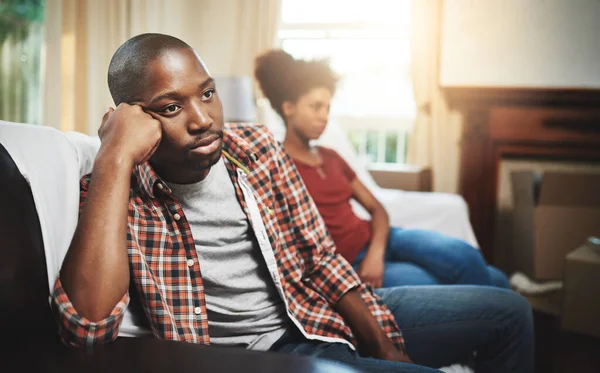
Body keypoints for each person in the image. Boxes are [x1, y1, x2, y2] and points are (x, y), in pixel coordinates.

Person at [51, 33, 533, 373]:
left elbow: (319, 256)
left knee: (510, 312)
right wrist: (115, 156)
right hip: (273, 352)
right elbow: (88, 330)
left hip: (317, 308)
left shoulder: (255, 148)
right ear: (134, 118)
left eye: (208, 94)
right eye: (171, 107)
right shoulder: (116, 193)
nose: (202, 120)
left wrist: (381, 344)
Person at [254, 50, 510, 290]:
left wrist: (376, 253)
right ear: (288, 108)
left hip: (385, 239)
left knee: (468, 257)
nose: (324, 116)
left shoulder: (330, 157)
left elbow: (377, 209)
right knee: (479, 282)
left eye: (328, 108)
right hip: (351, 263)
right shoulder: (278, 164)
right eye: (315, 107)